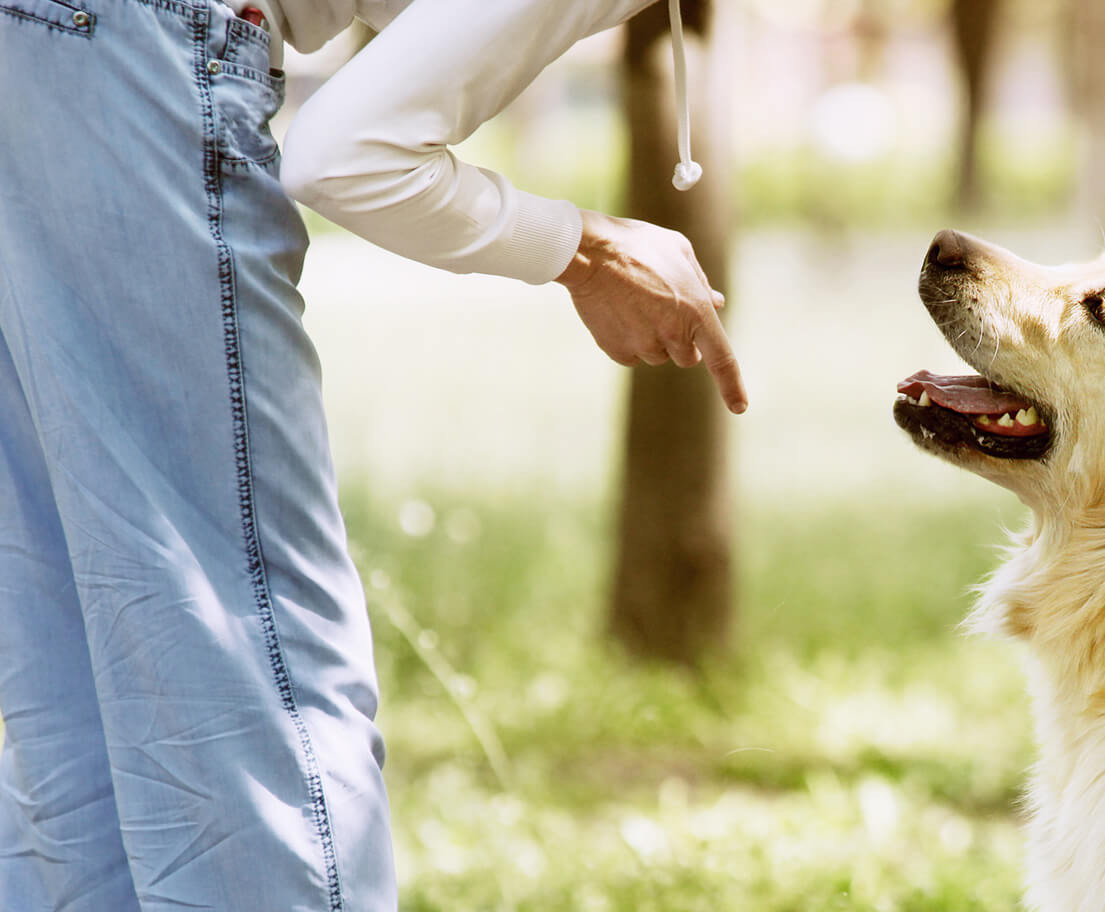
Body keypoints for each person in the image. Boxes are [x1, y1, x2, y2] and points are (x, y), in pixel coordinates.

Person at [0, 0, 740, 909]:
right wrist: (586, 252)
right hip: (137, 56)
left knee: (80, 724)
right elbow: (344, 152)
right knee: (260, 699)